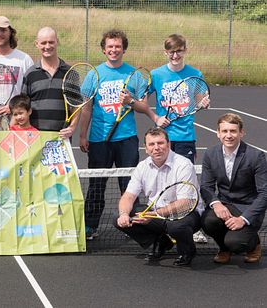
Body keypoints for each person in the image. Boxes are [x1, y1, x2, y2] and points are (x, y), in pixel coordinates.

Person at [79, 29, 156, 240]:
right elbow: (86, 108)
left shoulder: (134, 75)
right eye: (110, 46)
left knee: (129, 185)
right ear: (104, 49)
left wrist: (130, 101)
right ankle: (90, 227)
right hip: (99, 140)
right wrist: (83, 135)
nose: (114, 50)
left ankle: (132, 226)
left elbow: (143, 107)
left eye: (118, 46)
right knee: (96, 185)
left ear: (124, 49)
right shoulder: (93, 75)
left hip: (126, 139)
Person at [149, 34, 211, 243]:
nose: (175, 55)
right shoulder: (156, 75)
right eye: (171, 51)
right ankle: (165, 224)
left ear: (185, 50)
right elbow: (140, 99)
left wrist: (204, 103)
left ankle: (195, 226)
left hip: (185, 137)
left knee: (187, 182)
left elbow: (201, 99)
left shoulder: (195, 74)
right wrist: (156, 117)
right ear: (165, 52)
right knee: (162, 182)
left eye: (179, 51)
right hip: (163, 138)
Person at [115, 128, 203, 266]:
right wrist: (124, 214)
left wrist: (154, 215)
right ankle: (162, 240)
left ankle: (187, 251)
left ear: (168, 144)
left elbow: (185, 203)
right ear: (146, 148)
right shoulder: (142, 167)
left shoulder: (183, 164)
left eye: (160, 143)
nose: (156, 148)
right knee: (119, 219)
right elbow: (128, 196)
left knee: (175, 226)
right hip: (158, 213)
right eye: (151, 144)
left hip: (186, 213)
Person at [200, 113, 267, 264]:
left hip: (246, 209)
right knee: (207, 221)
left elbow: (264, 193)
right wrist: (216, 204)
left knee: (236, 243)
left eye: (233, 131)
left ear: (241, 133)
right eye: (224, 131)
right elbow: (206, 186)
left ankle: (254, 244)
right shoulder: (210, 154)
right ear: (218, 133)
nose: (228, 135)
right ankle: (224, 248)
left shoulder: (256, 156)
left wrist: (244, 219)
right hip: (225, 205)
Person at [22, 27, 74, 138]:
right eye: (43, 43)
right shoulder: (30, 74)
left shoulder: (70, 73)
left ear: (57, 42)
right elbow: (23, 107)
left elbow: (77, 107)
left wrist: (72, 128)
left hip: (62, 137)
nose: (47, 46)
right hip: (35, 137)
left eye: (51, 42)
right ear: (37, 44)